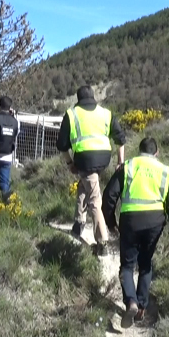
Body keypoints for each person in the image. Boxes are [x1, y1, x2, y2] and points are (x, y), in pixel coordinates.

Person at [101, 137, 169, 329]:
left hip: (130, 221)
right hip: (154, 223)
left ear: (139, 151)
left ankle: (130, 301)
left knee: (127, 266)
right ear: (157, 153)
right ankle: (141, 308)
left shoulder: (128, 166)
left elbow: (108, 198)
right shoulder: (165, 171)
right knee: (146, 265)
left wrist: (111, 223)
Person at [57, 85, 126, 256]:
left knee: (95, 199)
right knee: (86, 184)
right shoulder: (105, 113)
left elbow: (61, 145)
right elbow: (120, 139)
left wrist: (69, 163)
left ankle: (102, 242)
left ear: (78, 99)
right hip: (104, 157)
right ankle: (79, 222)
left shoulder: (72, 114)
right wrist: (120, 161)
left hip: (85, 159)